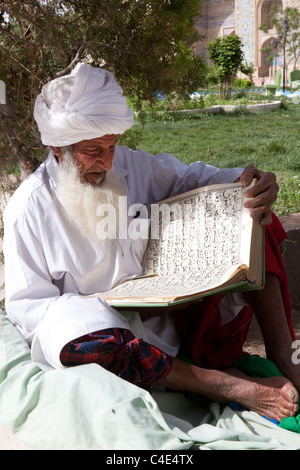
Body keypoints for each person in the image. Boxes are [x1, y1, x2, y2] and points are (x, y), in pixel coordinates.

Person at [3, 63, 299, 423]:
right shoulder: (28, 207)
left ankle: (285, 355)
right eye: (93, 150)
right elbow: (30, 310)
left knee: (251, 215)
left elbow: (195, 177)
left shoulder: (129, 166)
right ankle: (223, 385)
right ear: (57, 147)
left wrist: (248, 183)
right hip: (113, 340)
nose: (106, 161)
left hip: (171, 316)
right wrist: (95, 313)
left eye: (112, 145)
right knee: (80, 333)